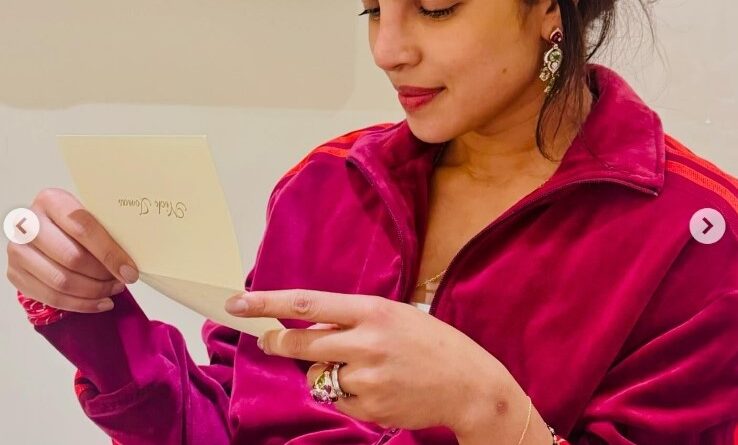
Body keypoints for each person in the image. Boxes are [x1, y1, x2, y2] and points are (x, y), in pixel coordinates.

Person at [7, 0, 738, 444]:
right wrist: (97, 320)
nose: (389, 50)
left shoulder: (697, 236)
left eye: (437, 8)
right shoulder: (327, 185)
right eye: (371, 10)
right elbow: (233, 422)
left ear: (552, 7)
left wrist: (485, 409)